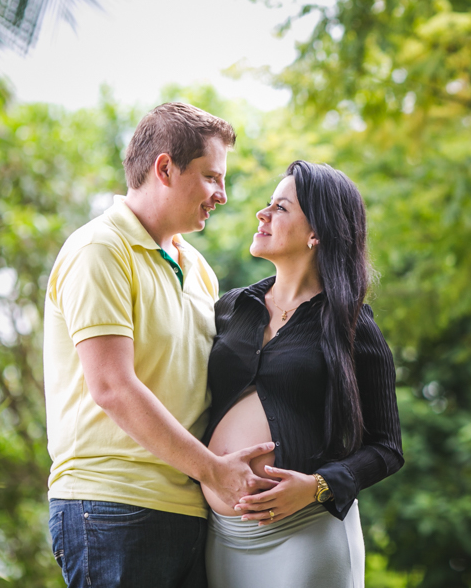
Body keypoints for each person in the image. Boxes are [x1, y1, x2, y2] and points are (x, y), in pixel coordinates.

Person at [45, 102, 276, 588]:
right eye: (212, 177)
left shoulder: (199, 268)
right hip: (112, 508)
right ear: (165, 168)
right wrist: (213, 470)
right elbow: (112, 387)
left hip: (188, 510)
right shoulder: (99, 250)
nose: (223, 195)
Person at [202, 160, 404, 588]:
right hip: (222, 538)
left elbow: (387, 448)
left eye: (280, 207)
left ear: (317, 233)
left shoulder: (352, 325)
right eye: (267, 204)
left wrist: (317, 486)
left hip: (305, 535)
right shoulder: (231, 308)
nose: (263, 213)